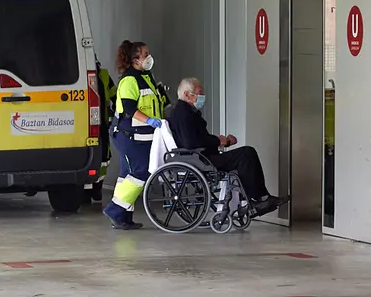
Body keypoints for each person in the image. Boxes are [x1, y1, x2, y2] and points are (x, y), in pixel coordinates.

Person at [167, 77, 287, 217]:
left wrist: (220, 141)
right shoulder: (183, 113)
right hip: (201, 159)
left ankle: (258, 199)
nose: (202, 96)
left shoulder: (184, 111)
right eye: (200, 92)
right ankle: (259, 199)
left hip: (202, 156)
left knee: (245, 155)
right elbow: (190, 142)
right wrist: (218, 141)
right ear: (187, 94)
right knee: (246, 154)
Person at [103, 40, 165, 230]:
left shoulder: (146, 76)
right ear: (135, 59)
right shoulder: (130, 79)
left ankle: (123, 217)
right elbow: (129, 108)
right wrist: (149, 120)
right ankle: (115, 210)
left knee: (126, 176)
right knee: (140, 173)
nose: (149, 57)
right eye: (145, 54)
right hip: (129, 135)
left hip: (141, 135)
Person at [84, 56, 117, 203]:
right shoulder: (81, 75)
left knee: (104, 158)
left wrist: (117, 117)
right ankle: (85, 192)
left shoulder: (103, 75)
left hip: (102, 124)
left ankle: (97, 187)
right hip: (85, 124)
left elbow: (115, 96)